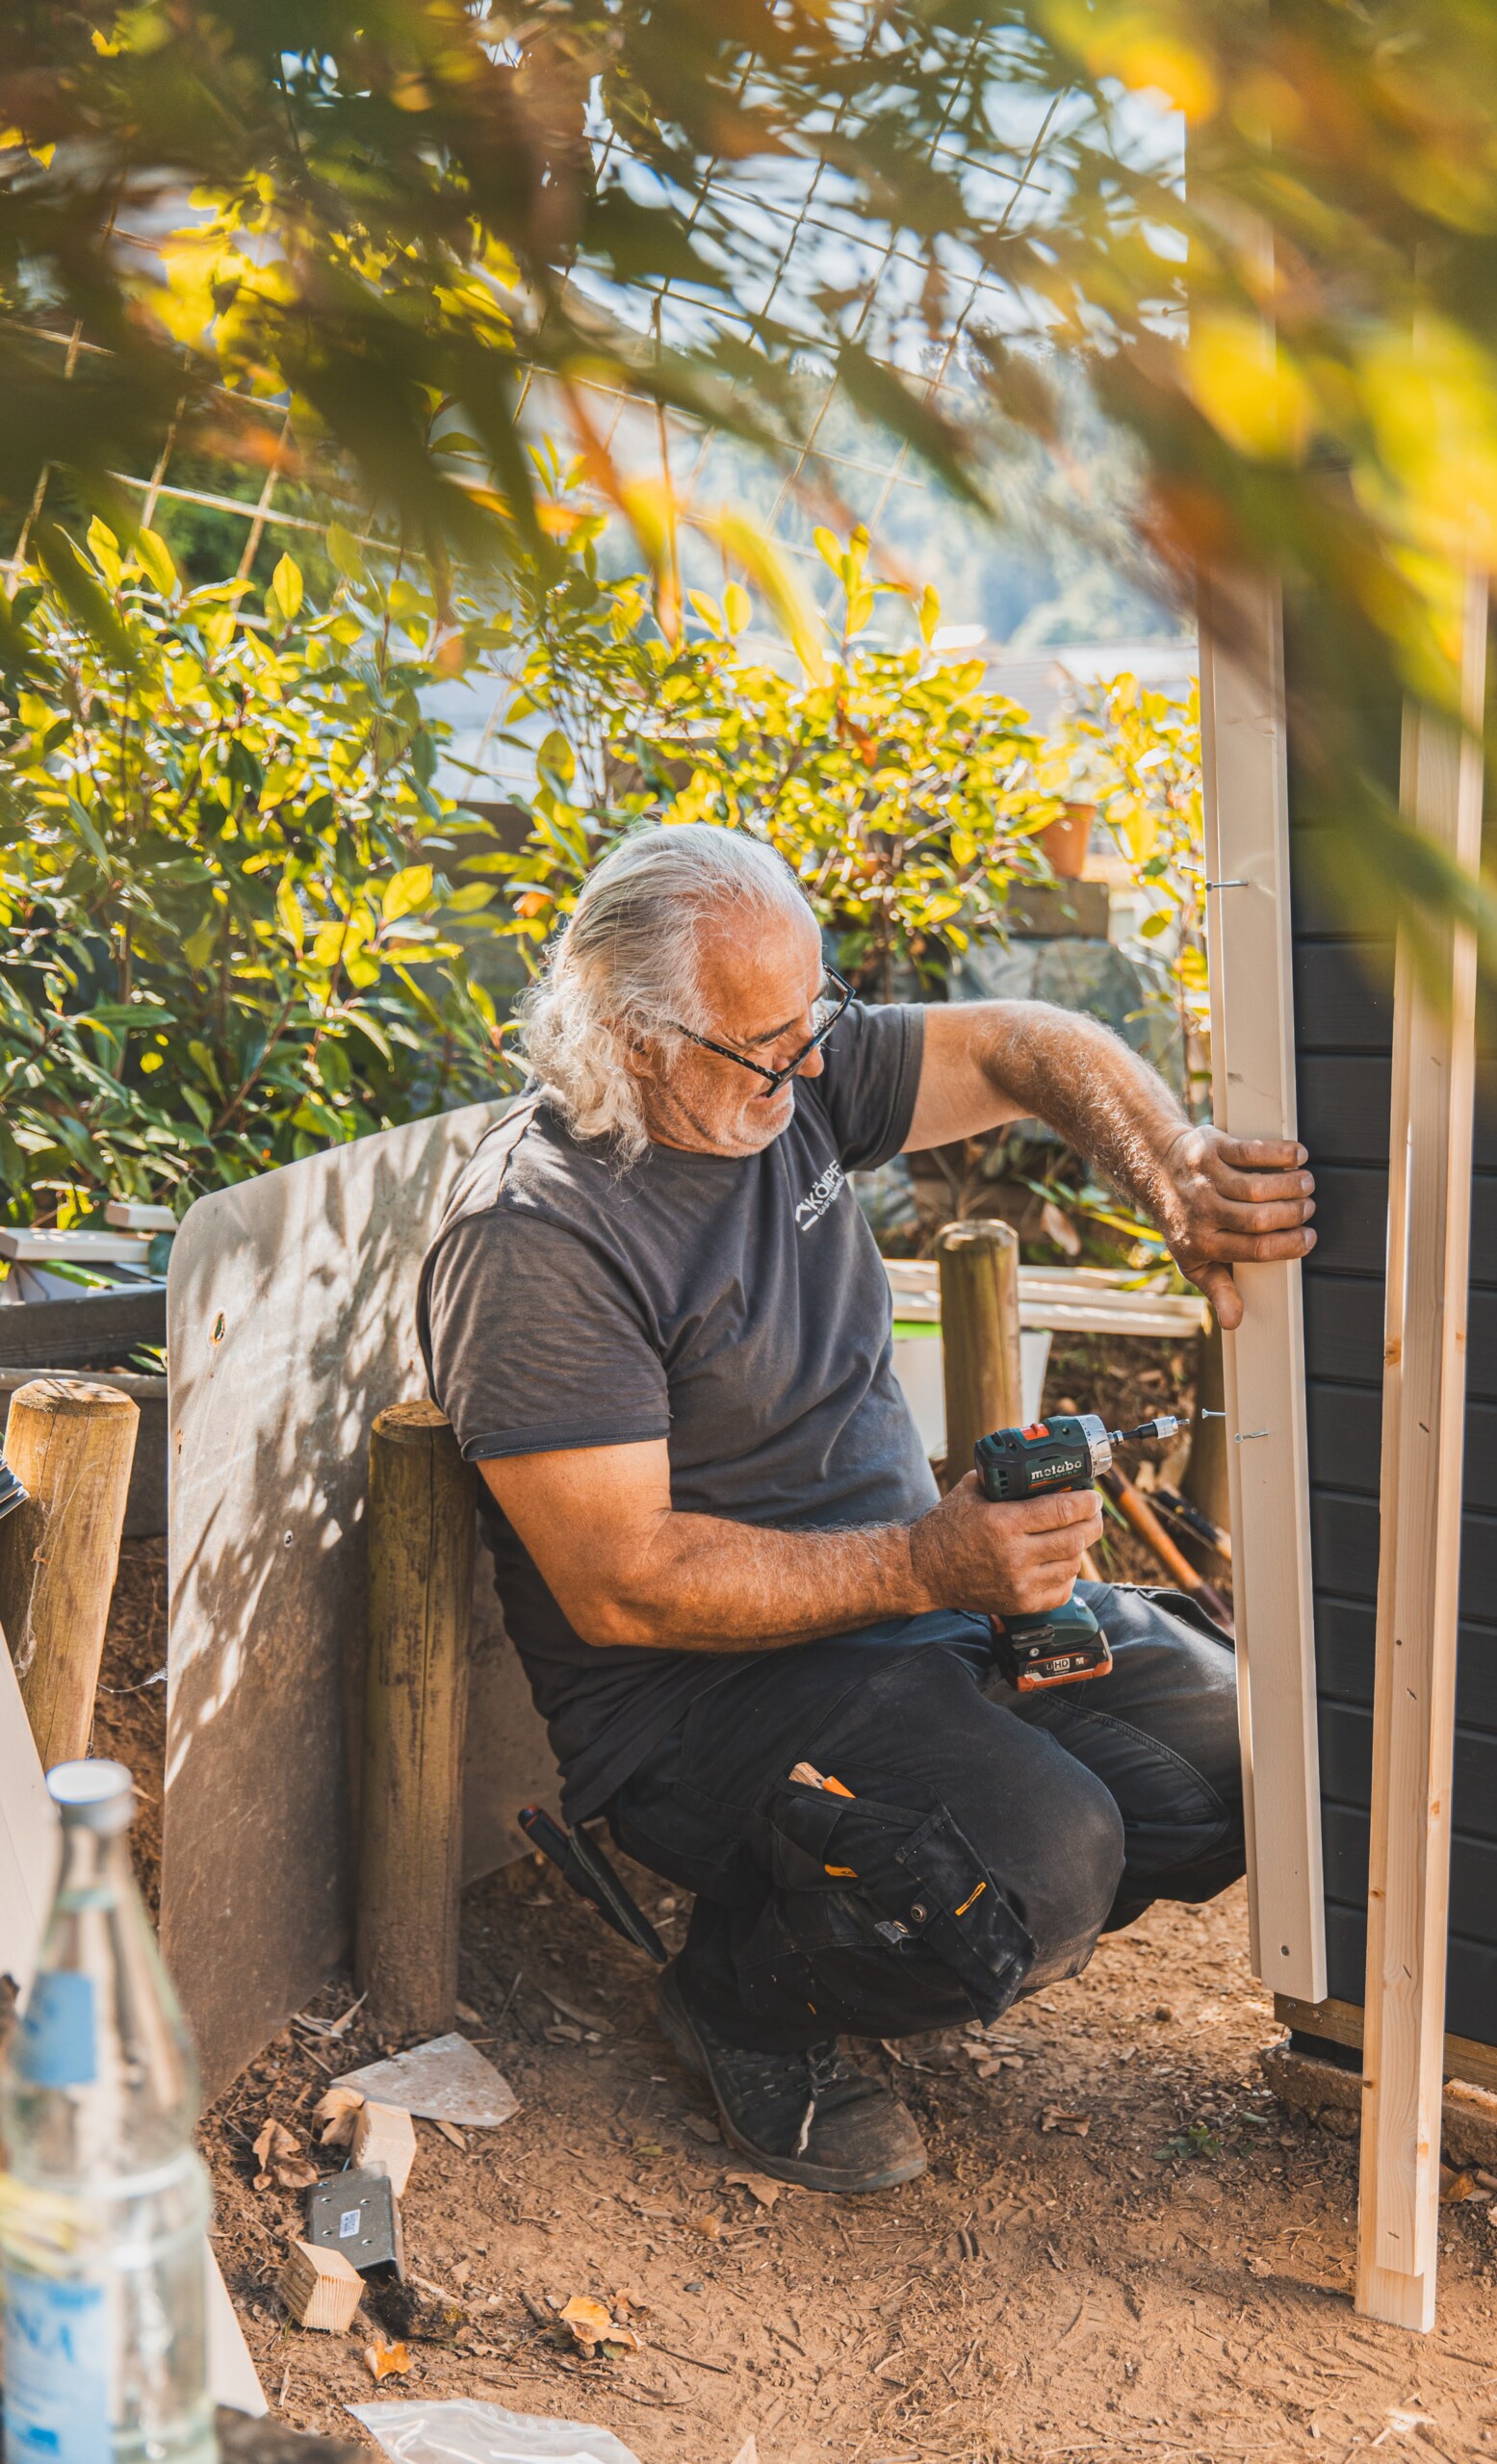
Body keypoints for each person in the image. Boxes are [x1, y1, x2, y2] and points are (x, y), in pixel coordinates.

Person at [419, 825, 1315, 2193]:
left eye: (816, 1017)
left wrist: (1176, 1171)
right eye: (768, 1043)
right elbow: (626, 1583)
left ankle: (899, 1915)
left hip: (916, 1612)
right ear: (634, 1035)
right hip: (701, 1707)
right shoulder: (538, 1239)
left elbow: (1025, 1043)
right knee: (1044, 1858)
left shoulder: (784, 1078)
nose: (816, 1063)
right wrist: (928, 1562)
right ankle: (741, 1992)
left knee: (1257, 1753)